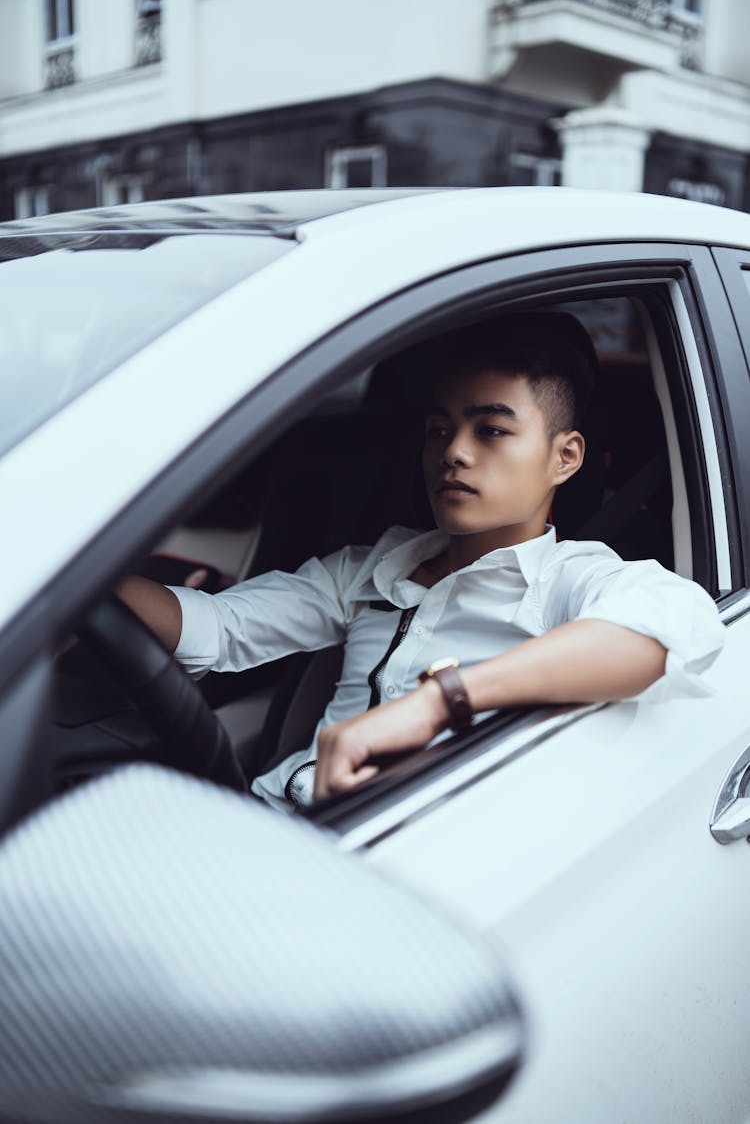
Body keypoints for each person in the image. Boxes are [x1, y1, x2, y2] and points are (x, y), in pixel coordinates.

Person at [119, 312, 725, 812]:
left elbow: (670, 628)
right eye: (439, 430)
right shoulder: (370, 568)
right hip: (271, 816)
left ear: (564, 458)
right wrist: (71, 586)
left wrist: (439, 701)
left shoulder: (566, 581)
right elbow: (216, 630)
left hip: (392, 847)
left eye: (490, 431)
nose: (453, 454)